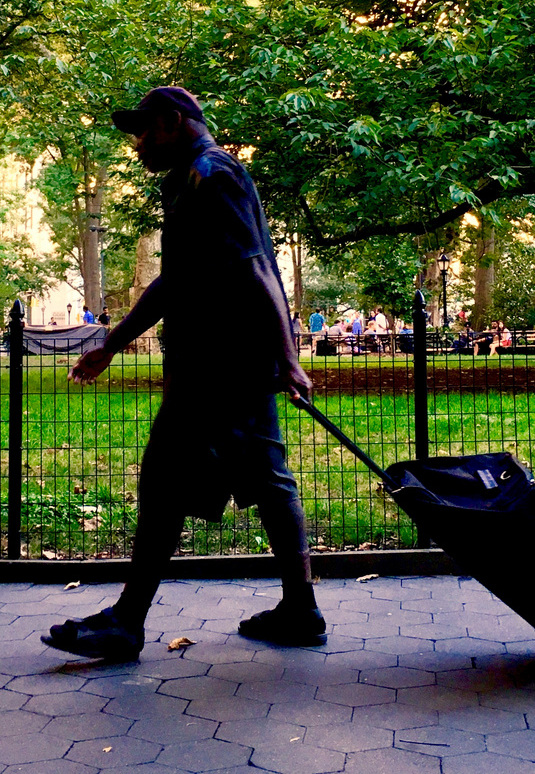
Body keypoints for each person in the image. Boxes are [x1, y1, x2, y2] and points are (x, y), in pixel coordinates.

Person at [42, 86, 321, 663]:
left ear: (172, 123)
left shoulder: (211, 176)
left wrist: (288, 357)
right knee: (266, 480)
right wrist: (111, 345)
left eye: (142, 132)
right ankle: (299, 610)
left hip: (221, 366)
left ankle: (127, 622)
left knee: (166, 481)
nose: (137, 145)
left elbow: (257, 269)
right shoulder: (190, 180)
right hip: (224, 364)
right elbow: (174, 283)